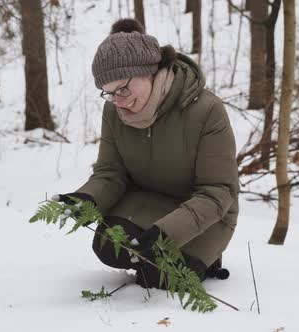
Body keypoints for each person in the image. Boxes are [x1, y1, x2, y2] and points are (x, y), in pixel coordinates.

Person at [57, 18, 238, 289]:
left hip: (206, 212)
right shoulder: (114, 112)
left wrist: (167, 233)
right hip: (147, 201)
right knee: (110, 246)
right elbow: (111, 172)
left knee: (165, 277)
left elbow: (218, 191)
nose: (119, 100)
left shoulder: (206, 110)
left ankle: (206, 258)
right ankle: (149, 254)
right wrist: (88, 199)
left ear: (150, 71)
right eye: (108, 93)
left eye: (123, 88)